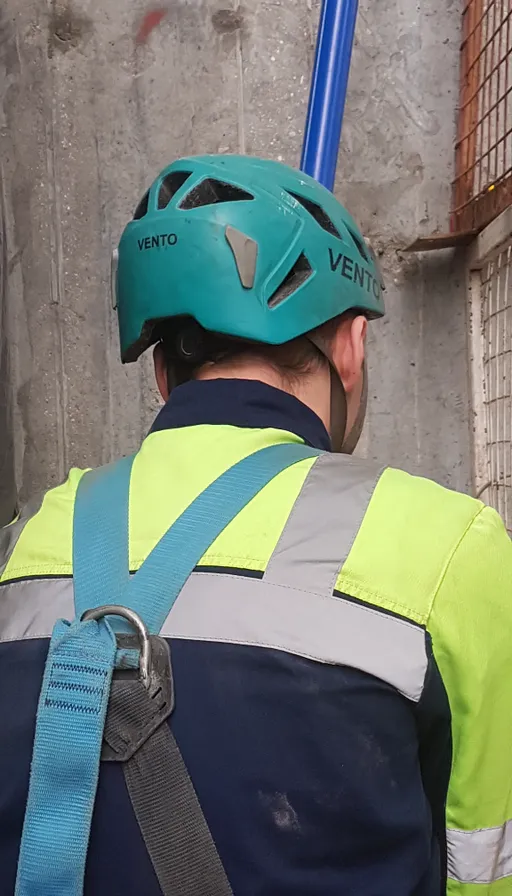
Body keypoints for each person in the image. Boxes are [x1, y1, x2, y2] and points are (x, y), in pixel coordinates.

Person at [1, 155, 511, 896]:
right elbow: (486, 866)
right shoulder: (451, 547)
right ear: (349, 345)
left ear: (159, 370)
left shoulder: (29, 541)